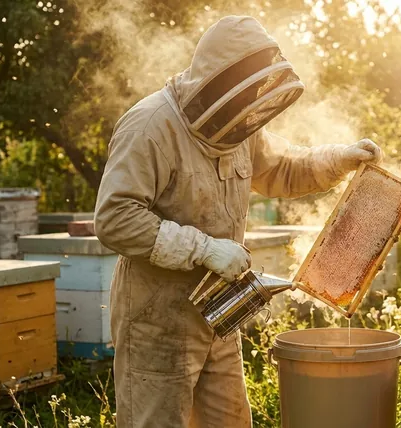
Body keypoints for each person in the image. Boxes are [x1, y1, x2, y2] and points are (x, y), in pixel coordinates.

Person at [94, 15, 382, 428]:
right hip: (156, 323)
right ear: (218, 81)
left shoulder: (237, 125)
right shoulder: (150, 126)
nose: (249, 103)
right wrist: (205, 249)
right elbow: (115, 217)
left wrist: (339, 158)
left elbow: (283, 168)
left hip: (219, 315)